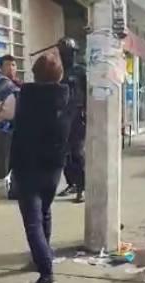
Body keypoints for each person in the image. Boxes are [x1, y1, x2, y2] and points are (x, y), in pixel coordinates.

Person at [11, 53, 71, 283]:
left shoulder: (25, 98)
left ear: (34, 75)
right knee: (44, 212)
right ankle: (43, 255)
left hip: (28, 166)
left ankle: (46, 271)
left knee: (33, 222)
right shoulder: (66, 98)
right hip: (54, 167)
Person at [56, 38, 86, 203]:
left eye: (68, 53)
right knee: (65, 154)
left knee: (77, 153)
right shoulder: (59, 71)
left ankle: (82, 187)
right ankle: (71, 183)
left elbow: (88, 95)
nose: (66, 56)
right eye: (63, 53)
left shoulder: (80, 71)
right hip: (63, 117)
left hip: (77, 117)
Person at [0, 54, 22, 199]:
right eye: (8, 65)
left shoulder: (14, 82)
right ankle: (15, 190)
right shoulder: (3, 82)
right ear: (1, 68)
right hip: (10, 126)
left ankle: (16, 189)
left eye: (14, 65)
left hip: (15, 125)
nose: (11, 68)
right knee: (17, 158)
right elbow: (19, 96)